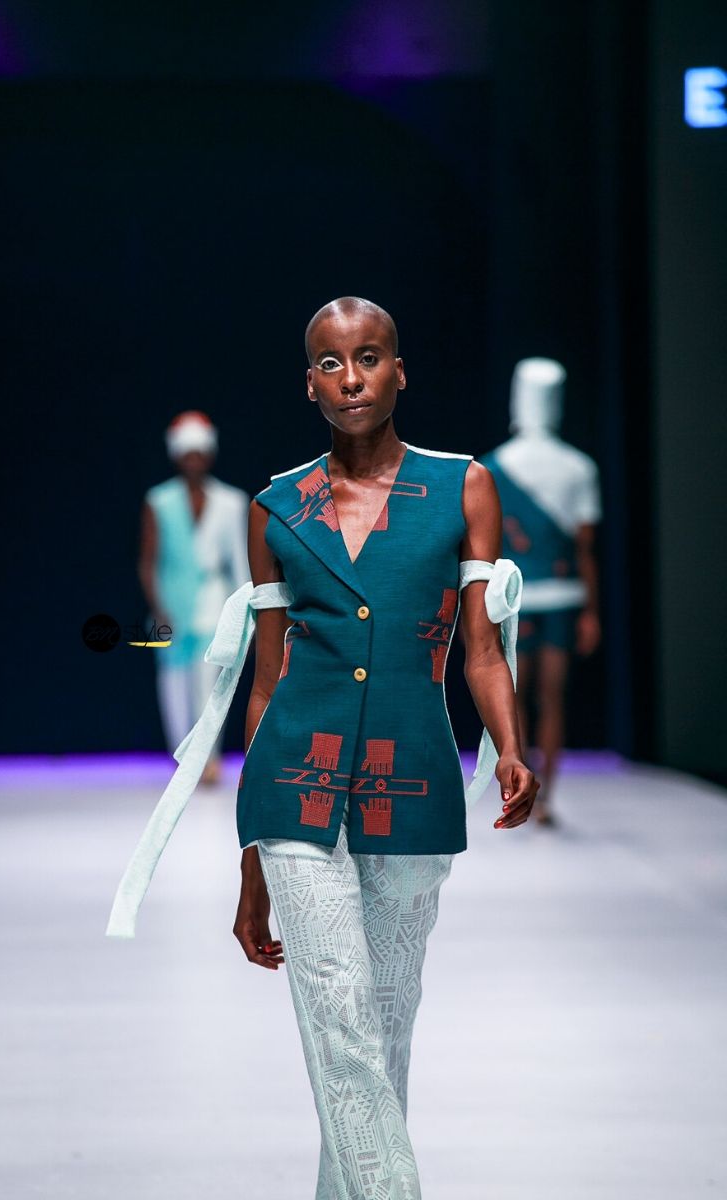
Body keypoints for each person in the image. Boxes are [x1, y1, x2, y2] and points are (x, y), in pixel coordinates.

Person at [229, 297, 540, 1199]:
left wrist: (510, 747)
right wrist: (250, 864)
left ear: (399, 370)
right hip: (293, 783)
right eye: (331, 363)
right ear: (310, 385)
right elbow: (265, 683)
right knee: (341, 1021)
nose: (352, 377)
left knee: (382, 1032)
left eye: (369, 357)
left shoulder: (461, 487)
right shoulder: (276, 507)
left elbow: (481, 649)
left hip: (413, 784)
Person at [479, 358, 602, 826]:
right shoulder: (579, 467)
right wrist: (591, 611)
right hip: (562, 597)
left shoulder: (492, 467)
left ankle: (522, 791)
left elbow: (485, 549)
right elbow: (585, 547)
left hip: (515, 599)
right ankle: (543, 795)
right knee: (552, 698)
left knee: (516, 697)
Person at [138, 410, 250, 784]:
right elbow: (148, 561)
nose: (193, 458)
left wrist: (247, 617)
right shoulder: (159, 501)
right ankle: (181, 759)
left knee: (210, 686)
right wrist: (158, 607)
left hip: (214, 602)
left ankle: (206, 759)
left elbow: (240, 562)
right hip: (169, 605)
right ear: (176, 454)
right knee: (172, 686)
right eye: (187, 451)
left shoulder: (231, 501)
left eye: (199, 450)